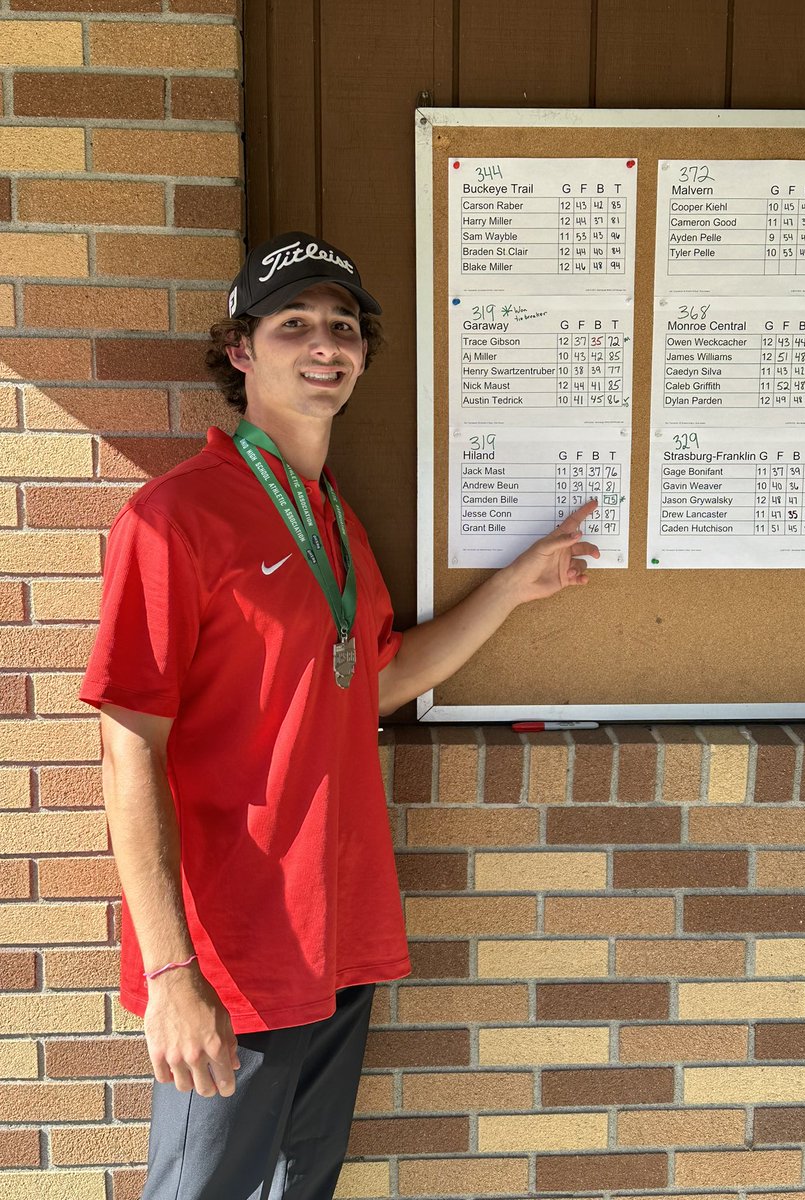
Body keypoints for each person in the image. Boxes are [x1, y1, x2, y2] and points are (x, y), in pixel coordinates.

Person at [81, 231, 599, 1200]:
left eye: (343, 326)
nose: (326, 344)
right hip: (231, 960)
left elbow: (379, 683)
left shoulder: (333, 521)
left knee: (300, 1189)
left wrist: (513, 589)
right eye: (293, 325)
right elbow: (126, 751)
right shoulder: (172, 518)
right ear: (241, 351)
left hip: (335, 940)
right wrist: (169, 974)